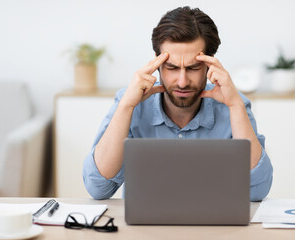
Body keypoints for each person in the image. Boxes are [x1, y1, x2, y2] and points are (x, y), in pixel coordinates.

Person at [83, 6, 273, 201]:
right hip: (144, 229)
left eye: (193, 67)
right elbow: (99, 188)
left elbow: (257, 192)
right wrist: (126, 107)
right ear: (157, 64)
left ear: (209, 65)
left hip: (214, 229)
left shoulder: (234, 104)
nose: (182, 81)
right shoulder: (130, 102)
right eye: (171, 67)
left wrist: (235, 107)